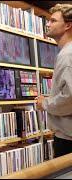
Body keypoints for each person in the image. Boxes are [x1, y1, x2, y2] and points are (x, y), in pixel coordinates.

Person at [35, 4, 72, 158]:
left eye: (53, 20)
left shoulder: (68, 55)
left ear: (68, 25)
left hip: (68, 140)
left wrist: (44, 103)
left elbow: (70, 97)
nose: (48, 24)